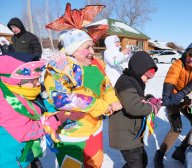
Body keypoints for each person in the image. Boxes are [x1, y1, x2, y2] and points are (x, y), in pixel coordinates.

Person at [42, 29, 122, 167]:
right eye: (87, 47)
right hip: (72, 136)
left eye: (92, 46)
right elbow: (61, 99)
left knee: (95, 164)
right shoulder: (59, 68)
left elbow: (106, 86)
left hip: (95, 130)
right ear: (73, 50)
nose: (92, 51)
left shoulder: (95, 66)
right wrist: (99, 106)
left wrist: (112, 100)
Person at [0, 55, 71, 167]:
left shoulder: (20, 91)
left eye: (38, 79)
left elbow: (37, 106)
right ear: (14, 81)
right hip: (11, 161)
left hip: (23, 154)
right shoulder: (4, 103)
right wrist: (56, 119)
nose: (38, 83)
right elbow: (26, 132)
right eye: (33, 80)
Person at [154, 41, 192, 167]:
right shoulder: (179, 63)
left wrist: (182, 95)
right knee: (176, 129)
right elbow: (171, 78)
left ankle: (180, 151)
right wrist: (167, 96)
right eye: (189, 55)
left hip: (187, 99)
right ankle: (160, 155)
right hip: (173, 97)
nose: (191, 59)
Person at [109, 51, 161, 168]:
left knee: (142, 161)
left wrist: (148, 98)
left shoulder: (133, 81)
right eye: (146, 77)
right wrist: (152, 107)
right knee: (136, 164)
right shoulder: (126, 82)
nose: (147, 81)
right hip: (125, 134)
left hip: (133, 132)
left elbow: (135, 99)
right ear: (139, 70)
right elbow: (134, 107)